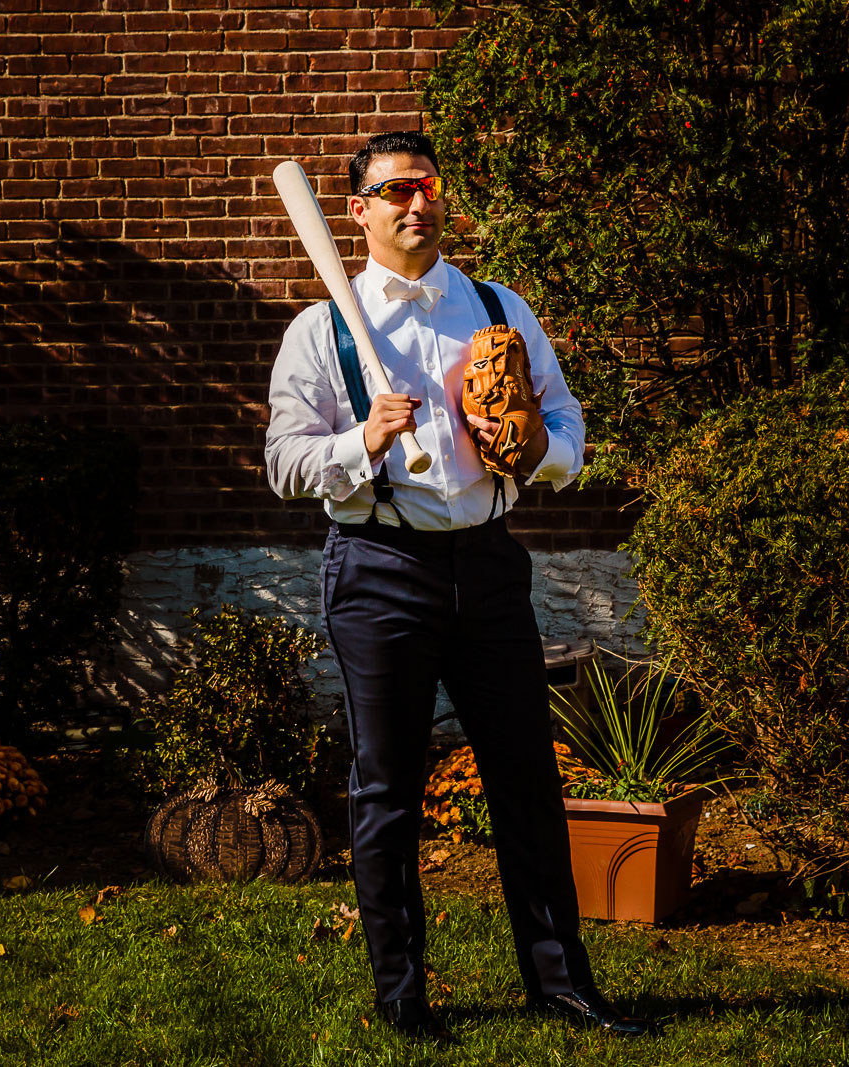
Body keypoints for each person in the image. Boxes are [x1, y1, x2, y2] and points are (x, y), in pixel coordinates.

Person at [264, 131, 652, 1043]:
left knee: (525, 780)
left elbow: (565, 418)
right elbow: (282, 462)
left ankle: (561, 984)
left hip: (488, 562)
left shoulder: (493, 304)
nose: (418, 204)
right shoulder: (323, 328)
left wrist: (534, 450)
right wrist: (359, 441)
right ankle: (403, 994)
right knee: (388, 789)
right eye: (396, 191)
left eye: (429, 188)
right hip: (378, 568)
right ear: (358, 212)